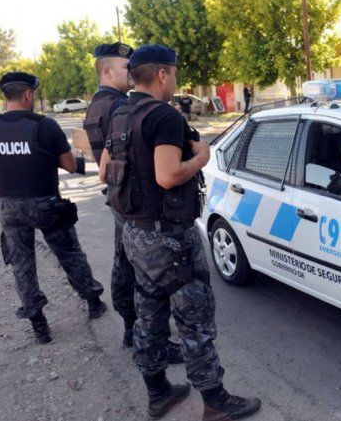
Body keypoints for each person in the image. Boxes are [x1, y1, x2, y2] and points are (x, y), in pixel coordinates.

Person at [99, 44, 260, 420]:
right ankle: (215, 401)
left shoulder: (121, 112)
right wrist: (201, 157)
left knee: (150, 312)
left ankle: (158, 393)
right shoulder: (163, 116)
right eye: (173, 74)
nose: (175, 80)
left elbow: (106, 170)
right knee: (195, 317)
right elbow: (168, 175)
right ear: (161, 75)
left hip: (135, 235)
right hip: (169, 238)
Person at [0, 72, 107, 344]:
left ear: (5, 96)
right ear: (28, 95)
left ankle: (39, 325)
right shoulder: (45, 126)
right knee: (69, 254)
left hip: (9, 208)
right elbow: (70, 166)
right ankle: (93, 301)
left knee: (22, 266)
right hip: (45, 203)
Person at [84, 42, 184, 362]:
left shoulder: (99, 105)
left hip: (120, 195)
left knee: (127, 263)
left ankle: (134, 329)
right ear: (107, 71)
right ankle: (140, 332)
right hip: (136, 201)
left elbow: (104, 165)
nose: (129, 75)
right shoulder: (118, 107)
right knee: (141, 273)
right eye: (124, 68)